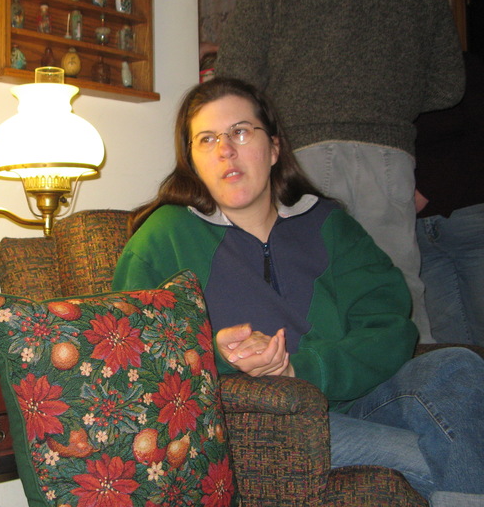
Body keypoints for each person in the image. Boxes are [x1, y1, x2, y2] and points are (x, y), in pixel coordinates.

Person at [112, 77, 484, 505]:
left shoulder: (330, 225)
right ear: (193, 162)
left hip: (358, 402)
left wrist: (301, 367)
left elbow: (390, 328)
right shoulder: (164, 237)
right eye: (207, 139)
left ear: (273, 148)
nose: (225, 150)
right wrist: (216, 352)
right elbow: (133, 357)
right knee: (449, 455)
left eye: (240, 132)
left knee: (458, 365)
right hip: (258, 425)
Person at [212, 0, 466, 343]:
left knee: (310, 289)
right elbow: (448, 84)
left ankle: (316, 384)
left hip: (300, 152)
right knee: (397, 288)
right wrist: (386, 102)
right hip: (388, 155)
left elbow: (235, 78)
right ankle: (421, 383)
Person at [415, 52, 484, 346]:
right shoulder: (396, 74)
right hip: (419, 229)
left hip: (469, 216)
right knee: (450, 344)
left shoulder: (466, 68)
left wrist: (428, 189)